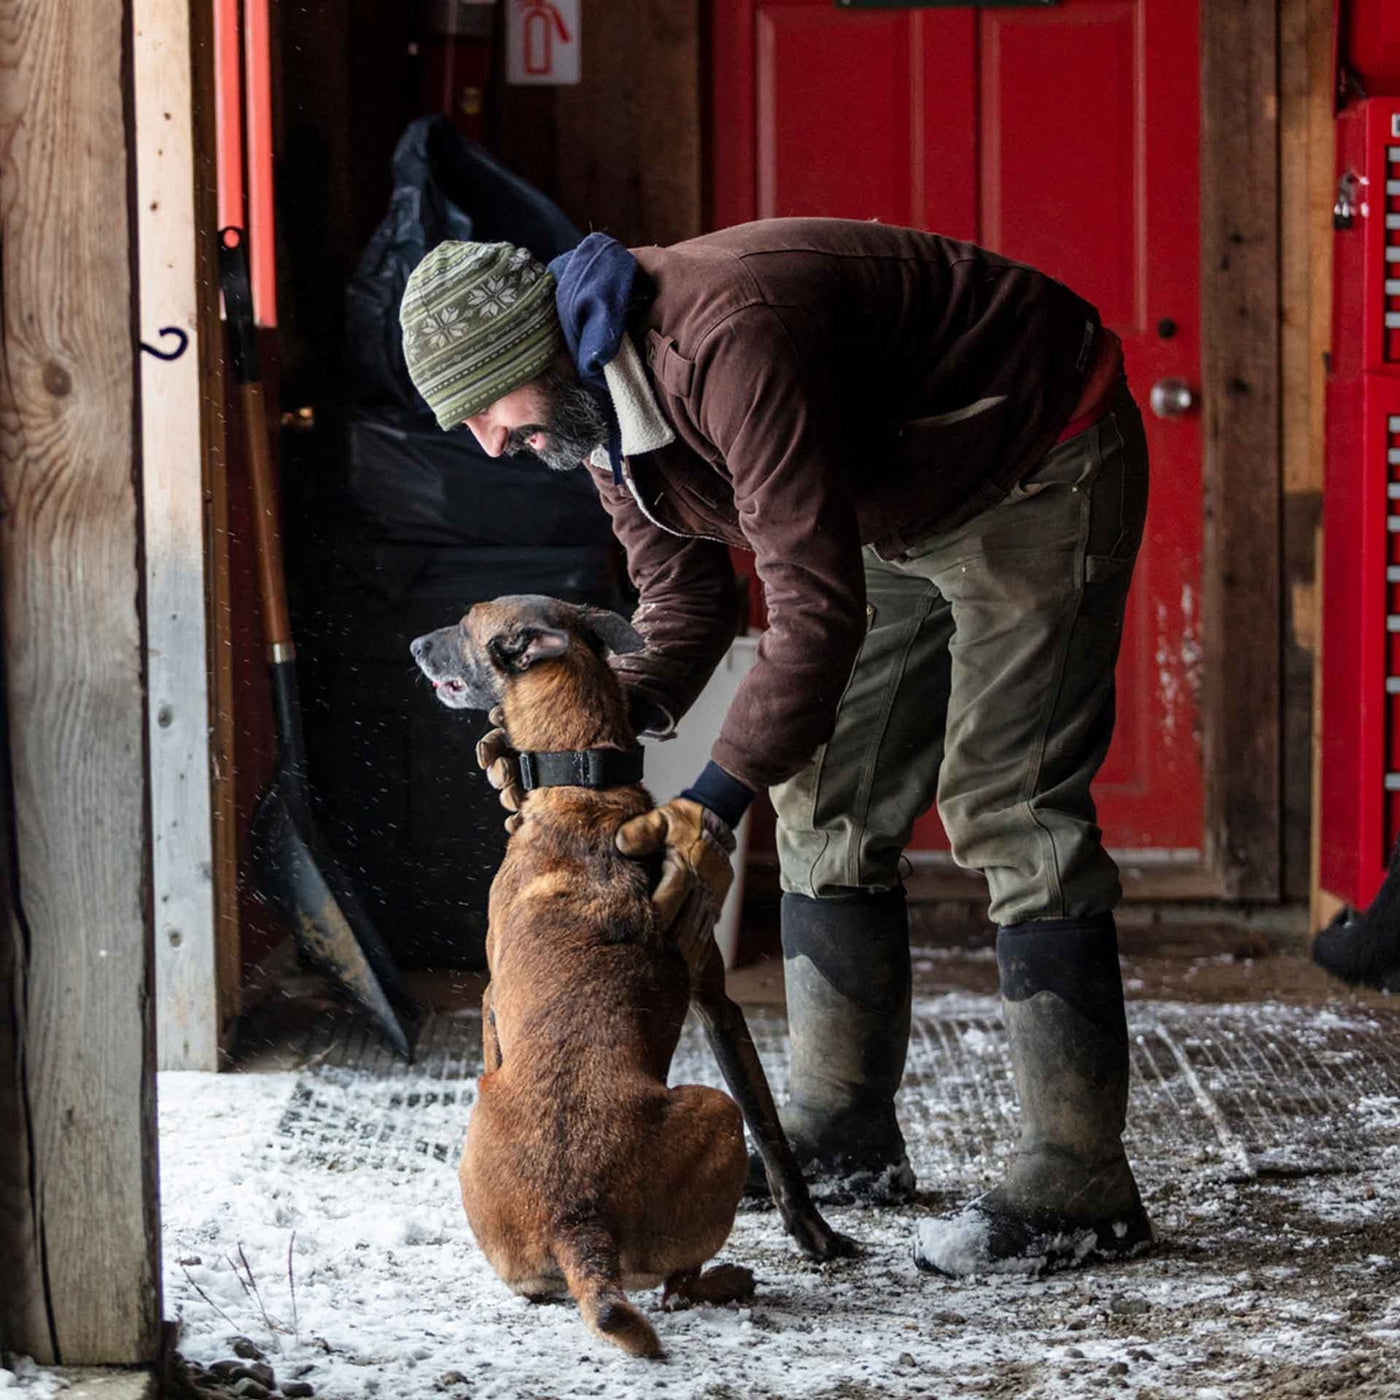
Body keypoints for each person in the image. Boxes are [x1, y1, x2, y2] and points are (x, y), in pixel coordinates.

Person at [398, 219, 1152, 1275]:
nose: (488, 442)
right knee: (824, 794)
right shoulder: (595, 413)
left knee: (1005, 798)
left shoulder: (720, 341)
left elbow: (812, 613)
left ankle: (1079, 1180)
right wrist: (591, 742)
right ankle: (841, 1132)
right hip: (888, 496)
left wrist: (708, 801)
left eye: (486, 409)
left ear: (537, 353)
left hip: (1032, 453)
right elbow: (682, 595)